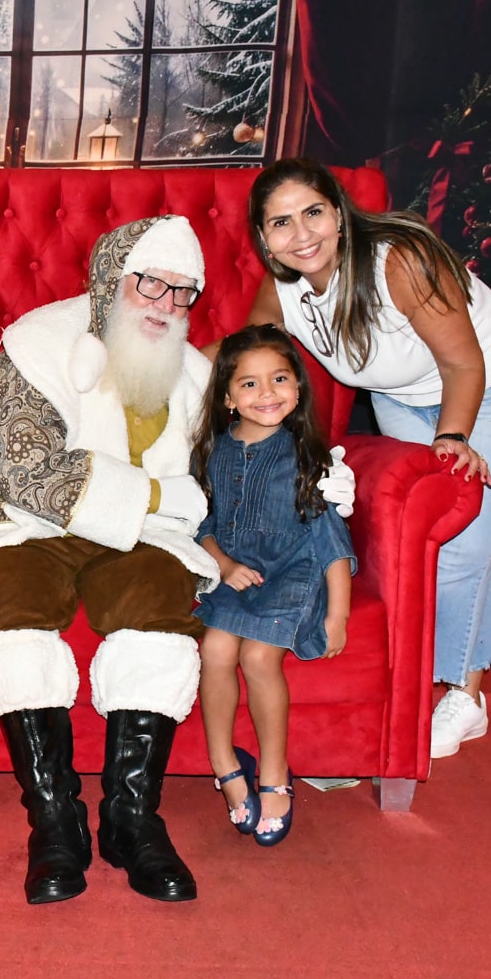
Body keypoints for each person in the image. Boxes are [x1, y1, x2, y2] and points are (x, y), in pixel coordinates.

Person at [0, 216, 232, 905]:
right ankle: (54, 821)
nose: (166, 304)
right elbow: (25, 472)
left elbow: (233, 468)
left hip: (146, 535)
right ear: (113, 279)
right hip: (32, 523)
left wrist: (313, 480)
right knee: (14, 610)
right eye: (151, 283)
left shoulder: (197, 377)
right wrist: (158, 493)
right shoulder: (35, 346)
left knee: (159, 615)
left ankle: (131, 820)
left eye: (183, 292)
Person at [247, 157, 491, 759]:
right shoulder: (283, 290)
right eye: (281, 223)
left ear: (339, 213)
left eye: (313, 213)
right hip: (401, 396)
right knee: (448, 537)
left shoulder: (399, 261)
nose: (301, 235)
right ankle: (465, 687)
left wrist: (454, 437)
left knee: (457, 551)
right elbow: (242, 358)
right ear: (263, 237)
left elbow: (463, 363)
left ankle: (461, 694)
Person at [191, 325, 355, 848]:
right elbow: (204, 524)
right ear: (227, 397)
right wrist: (222, 564)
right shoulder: (214, 452)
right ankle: (224, 762)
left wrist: (337, 615)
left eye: (279, 379)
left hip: (293, 572)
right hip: (234, 571)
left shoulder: (308, 457)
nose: (267, 393)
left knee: (259, 656)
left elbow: (331, 542)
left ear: (298, 387)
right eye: (249, 384)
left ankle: (274, 772)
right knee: (215, 649)